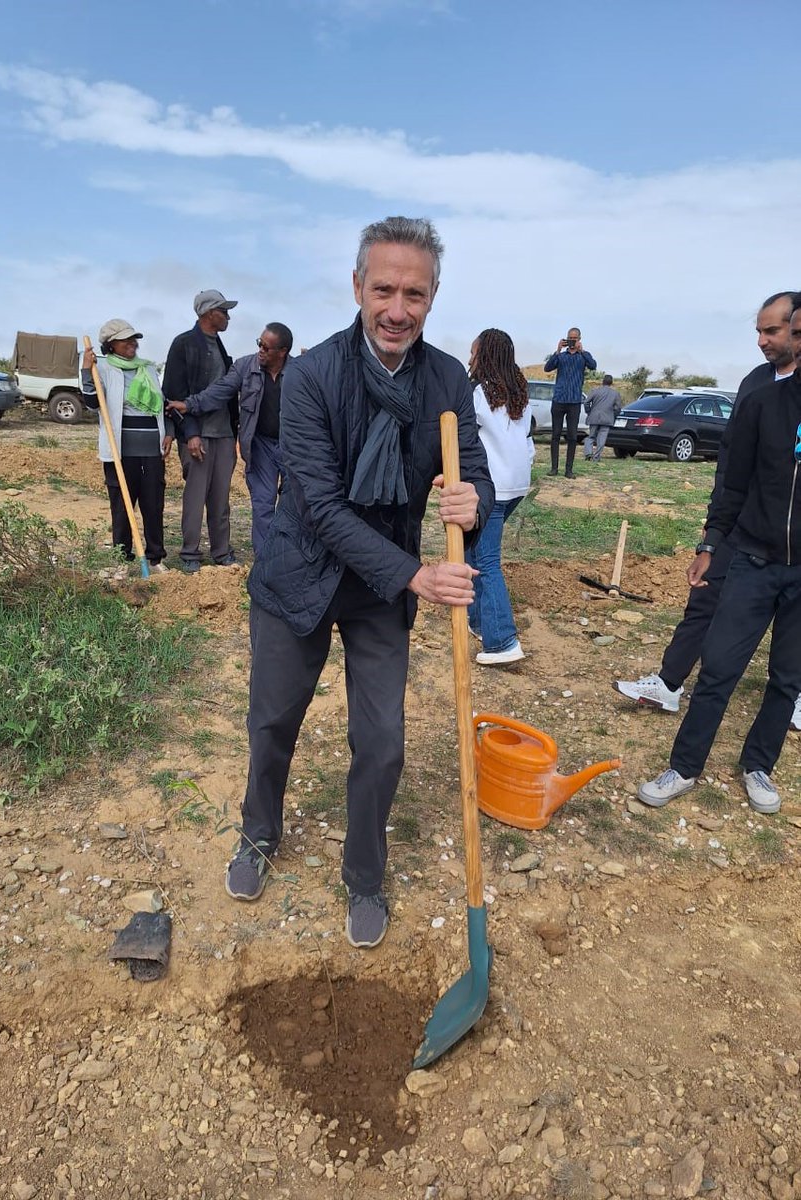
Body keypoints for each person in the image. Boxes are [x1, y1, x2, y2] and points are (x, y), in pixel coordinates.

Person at [224, 216, 494, 949]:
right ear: (357, 287)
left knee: (382, 741)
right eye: (384, 289)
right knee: (274, 720)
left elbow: (472, 471)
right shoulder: (311, 377)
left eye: (414, 293)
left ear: (432, 298)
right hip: (300, 576)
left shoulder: (446, 379)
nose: (397, 309)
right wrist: (415, 575)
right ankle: (257, 834)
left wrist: (473, 504)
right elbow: (321, 507)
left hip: (381, 593)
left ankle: (364, 873)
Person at [637, 294, 801, 814]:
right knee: (719, 670)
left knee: (787, 679)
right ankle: (683, 767)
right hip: (753, 560)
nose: (768, 340)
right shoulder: (762, 401)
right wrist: (711, 544)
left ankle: (759, 766)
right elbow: (732, 482)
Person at [167, 323, 293, 555]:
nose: (261, 350)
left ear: (282, 352)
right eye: (259, 343)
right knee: (263, 504)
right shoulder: (246, 366)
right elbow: (220, 390)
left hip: (293, 448)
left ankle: (288, 557)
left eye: (266, 347)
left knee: (292, 505)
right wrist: (189, 404)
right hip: (261, 446)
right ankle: (265, 560)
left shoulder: (300, 371)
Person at [80, 319, 172, 573]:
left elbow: (162, 406)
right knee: (122, 506)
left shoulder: (148, 369)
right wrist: (87, 370)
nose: (133, 343)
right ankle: (123, 559)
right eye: (125, 339)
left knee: (153, 504)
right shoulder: (105, 368)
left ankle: (155, 559)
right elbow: (91, 402)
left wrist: (169, 432)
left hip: (152, 449)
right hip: (120, 450)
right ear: (110, 345)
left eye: (134, 339)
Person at [466, 329, 534, 666]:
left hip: (492, 487)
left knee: (486, 559)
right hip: (517, 485)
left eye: (474, 352)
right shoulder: (519, 392)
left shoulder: (479, 393)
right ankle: (478, 620)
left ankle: (503, 641)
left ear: (485, 355)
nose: (470, 358)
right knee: (472, 551)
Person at [162, 290, 239, 571]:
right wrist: (191, 434)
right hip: (199, 436)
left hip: (224, 435)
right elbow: (174, 395)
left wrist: (234, 434)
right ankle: (190, 554)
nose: (228, 316)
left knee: (221, 498)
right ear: (208, 313)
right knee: (195, 498)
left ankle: (222, 552)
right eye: (224, 311)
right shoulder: (184, 345)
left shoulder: (219, 346)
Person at [544, 327, 597, 478]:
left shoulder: (583, 357)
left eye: (575, 338)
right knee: (555, 435)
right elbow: (547, 368)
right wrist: (557, 350)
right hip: (559, 400)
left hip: (574, 401)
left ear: (579, 339)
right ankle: (554, 468)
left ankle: (569, 470)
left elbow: (593, 366)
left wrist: (583, 351)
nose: (572, 341)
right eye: (570, 338)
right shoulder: (561, 357)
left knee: (573, 437)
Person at [583, 374, 622, 462]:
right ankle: (596, 457)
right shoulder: (615, 394)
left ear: (602, 381)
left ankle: (588, 453)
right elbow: (618, 408)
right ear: (611, 383)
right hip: (607, 419)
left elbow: (586, 402)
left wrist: (588, 411)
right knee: (602, 437)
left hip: (594, 417)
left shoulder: (595, 391)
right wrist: (613, 415)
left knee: (591, 436)